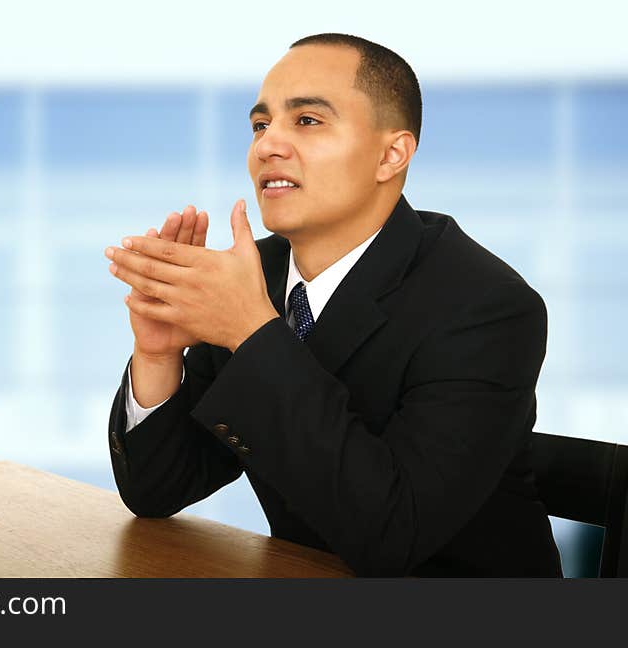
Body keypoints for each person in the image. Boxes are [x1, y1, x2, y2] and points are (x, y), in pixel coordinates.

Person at [103, 33, 562, 576]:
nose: (268, 144)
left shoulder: (488, 308)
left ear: (391, 154)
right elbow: (157, 490)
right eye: (260, 124)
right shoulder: (259, 277)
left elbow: (395, 535)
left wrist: (252, 332)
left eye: (307, 121)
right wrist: (157, 354)